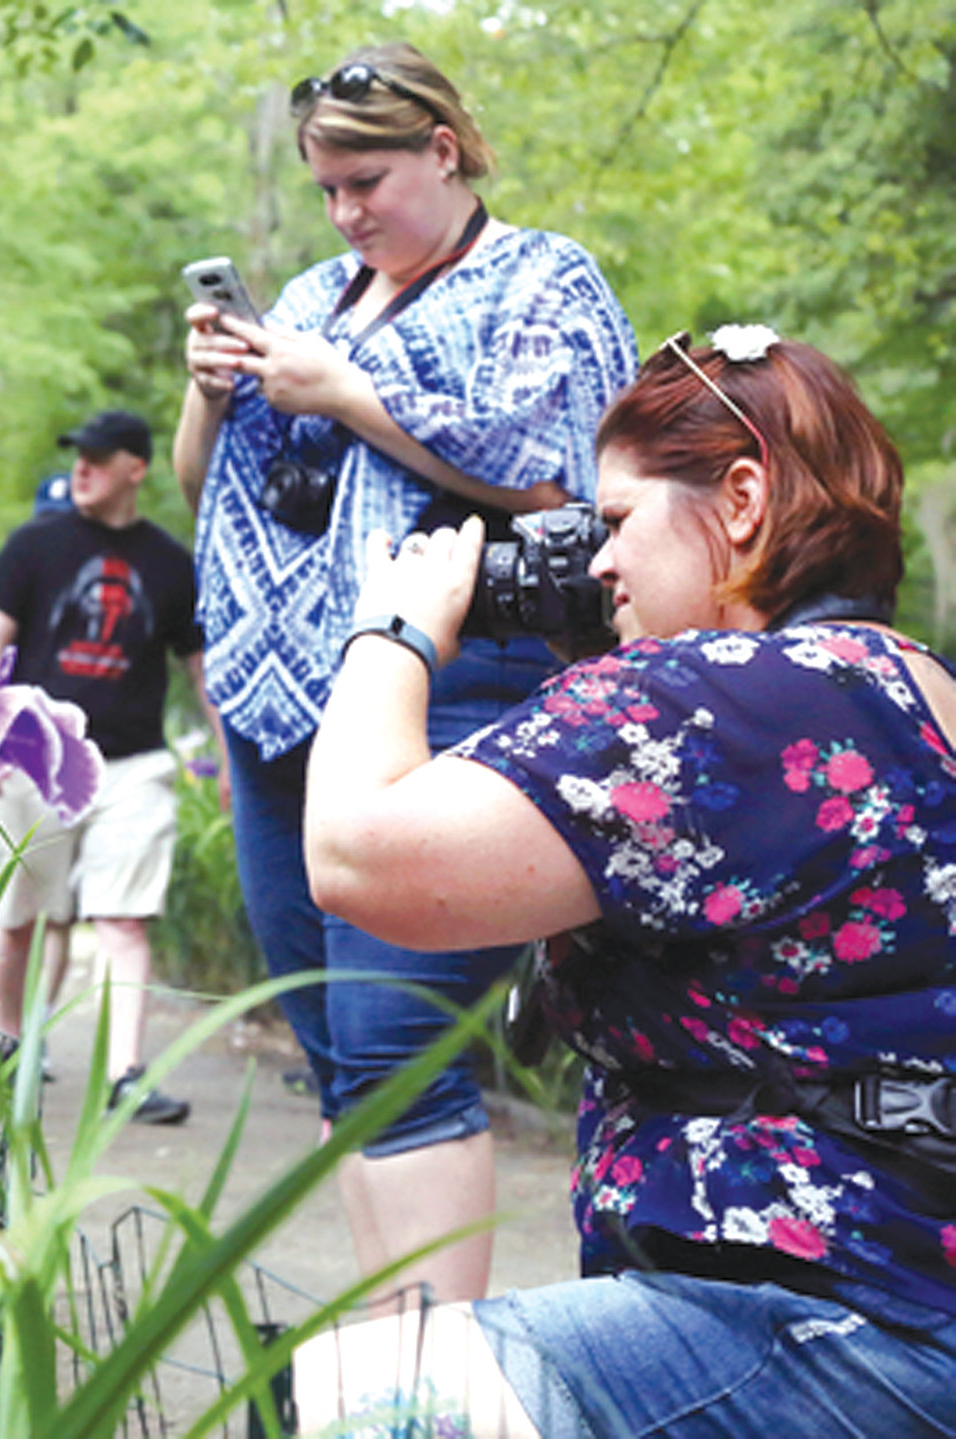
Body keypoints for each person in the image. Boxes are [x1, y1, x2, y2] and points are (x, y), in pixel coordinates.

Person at [294, 330, 956, 1435]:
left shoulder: (714, 695)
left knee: (361, 1401)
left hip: (836, 1335)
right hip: (893, 1305)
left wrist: (395, 623)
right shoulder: (906, 683)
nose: (595, 565)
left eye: (614, 522)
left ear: (739, 499)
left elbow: (355, 854)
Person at [171, 41, 637, 1299]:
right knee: (335, 1047)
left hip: (456, 686)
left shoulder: (544, 279)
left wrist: (354, 393)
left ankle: (439, 1376)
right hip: (280, 710)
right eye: (325, 189)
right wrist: (213, 392)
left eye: (365, 180)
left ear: (444, 147)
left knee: (394, 1041)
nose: (344, 213)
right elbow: (203, 486)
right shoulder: (322, 288)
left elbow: (563, 484)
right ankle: (387, 1358)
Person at [0, 409, 228, 1125]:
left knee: (124, 920)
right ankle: (10, 1045)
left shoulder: (170, 564)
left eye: (100, 457)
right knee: (15, 919)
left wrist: (226, 755)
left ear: (135, 469)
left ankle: (126, 1074)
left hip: (134, 762)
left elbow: (201, 667)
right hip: (35, 757)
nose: (83, 468)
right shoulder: (35, 545)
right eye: (78, 456)